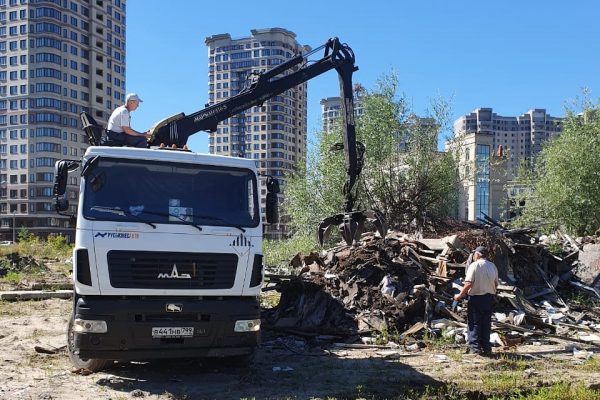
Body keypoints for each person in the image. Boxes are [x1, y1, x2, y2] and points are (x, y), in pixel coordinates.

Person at [454, 246, 498, 356]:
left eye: (474, 254)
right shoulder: (492, 266)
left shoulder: (474, 265)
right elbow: (496, 284)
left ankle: (475, 348)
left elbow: (468, 283)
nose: (473, 256)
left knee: (474, 323)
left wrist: (459, 295)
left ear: (478, 254)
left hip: (477, 299)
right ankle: (487, 348)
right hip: (489, 298)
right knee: (486, 324)